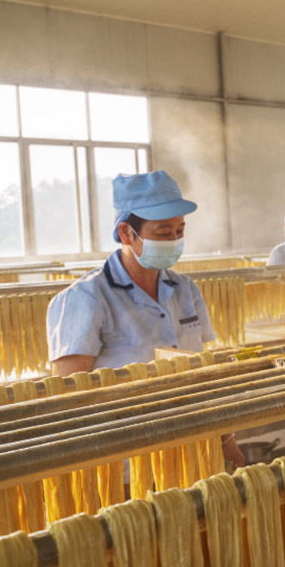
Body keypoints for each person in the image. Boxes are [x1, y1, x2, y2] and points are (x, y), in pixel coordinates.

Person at [46, 169, 243, 466]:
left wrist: (226, 441)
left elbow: (202, 375)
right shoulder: (86, 298)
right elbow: (68, 398)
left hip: (191, 449)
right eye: (163, 233)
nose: (174, 240)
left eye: (179, 231)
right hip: (123, 459)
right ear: (126, 232)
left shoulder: (185, 290)